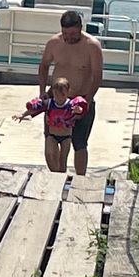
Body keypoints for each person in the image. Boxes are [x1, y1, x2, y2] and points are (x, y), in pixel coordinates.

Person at [36, 9, 104, 176]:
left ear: (81, 27)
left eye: (73, 33)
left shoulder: (92, 46)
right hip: (56, 99)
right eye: (65, 33)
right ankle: (57, 175)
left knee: (79, 143)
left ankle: (80, 179)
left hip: (80, 99)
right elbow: (44, 65)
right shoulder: (54, 43)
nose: (69, 37)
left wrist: (88, 99)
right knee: (51, 140)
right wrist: (42, 91)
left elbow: (97, 75)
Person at [22, 78, 88, 174]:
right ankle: (55, 173)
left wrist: (79, 110)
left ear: (68, 92)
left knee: (63, 159)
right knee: (50, 155)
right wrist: (23, 114)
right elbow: (35, 109)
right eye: (57, 94)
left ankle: (60, 176)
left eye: (63, 95)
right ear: (53, 92)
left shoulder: (71, 105)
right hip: (52, 135)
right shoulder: (49, 103)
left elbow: (81, 110)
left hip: (66, 137)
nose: (60, 97)